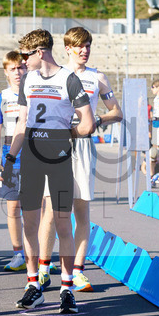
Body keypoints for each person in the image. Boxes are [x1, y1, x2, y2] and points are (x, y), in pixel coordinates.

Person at [3, 29, 94, 313]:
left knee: (62, 223)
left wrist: (66, 133)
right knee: (30, 224)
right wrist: (9, 158)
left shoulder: (68, 79)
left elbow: (88, 124)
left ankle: (67, 289)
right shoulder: (28, 80)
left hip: (59, 158)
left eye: (26, 56)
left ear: (40, 52)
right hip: (31, 158)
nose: (22, 63)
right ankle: (34, 285)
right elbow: (21, 122)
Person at [37, 26, 122, 292]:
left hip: (84, 146)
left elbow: (117, 112)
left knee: (81, 212)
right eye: (79, 46)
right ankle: (41, 268)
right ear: (67, 49)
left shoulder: (98, 78)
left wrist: (97, 119)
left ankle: (78, 271)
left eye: (87, 46)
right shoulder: (56, 76)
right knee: (51, 211)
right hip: (57, 147)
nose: (84, 51)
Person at [0, 50, 29, 272]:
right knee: (13, 208)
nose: (17, 72)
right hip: (10, 157)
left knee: (39, 209)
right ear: (5, 72)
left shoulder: (34, 93)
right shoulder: (1, 98)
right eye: (12, 69)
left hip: (34, 155)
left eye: (20, 67)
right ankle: (18, 254)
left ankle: (41, 256)